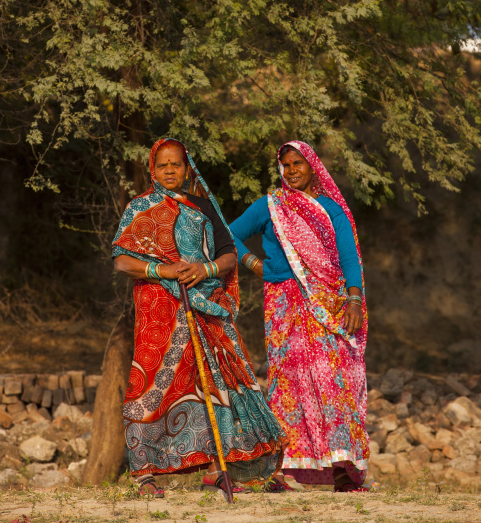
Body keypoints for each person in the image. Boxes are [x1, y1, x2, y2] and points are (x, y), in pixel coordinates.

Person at [112, 138, 286, 498]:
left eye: (177, 164)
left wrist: (203, 268)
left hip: (206, 307)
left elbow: (228, 255)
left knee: (211, 384)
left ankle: (214, 468)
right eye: (163, 165)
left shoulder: (204, 207)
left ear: (187, 168)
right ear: (152, 169)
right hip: (159, 315)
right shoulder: (140, 208)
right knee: (151, 387)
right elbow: (122, 260)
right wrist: (163, 271)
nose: (170, 170)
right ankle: (144, 472)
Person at [229, 140, 369, 492]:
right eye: (286, 165)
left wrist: (354, 299)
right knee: (287, 382)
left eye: (298, 164)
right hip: (284, 304)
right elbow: (228, 235)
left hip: (327, 306)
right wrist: (255, 264)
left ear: (312, 166)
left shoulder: (330, 209)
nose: (291, 171)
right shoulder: (271, 206)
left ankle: (341, 470)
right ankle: (280, 471)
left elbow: (349, 257)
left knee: (332, 383)